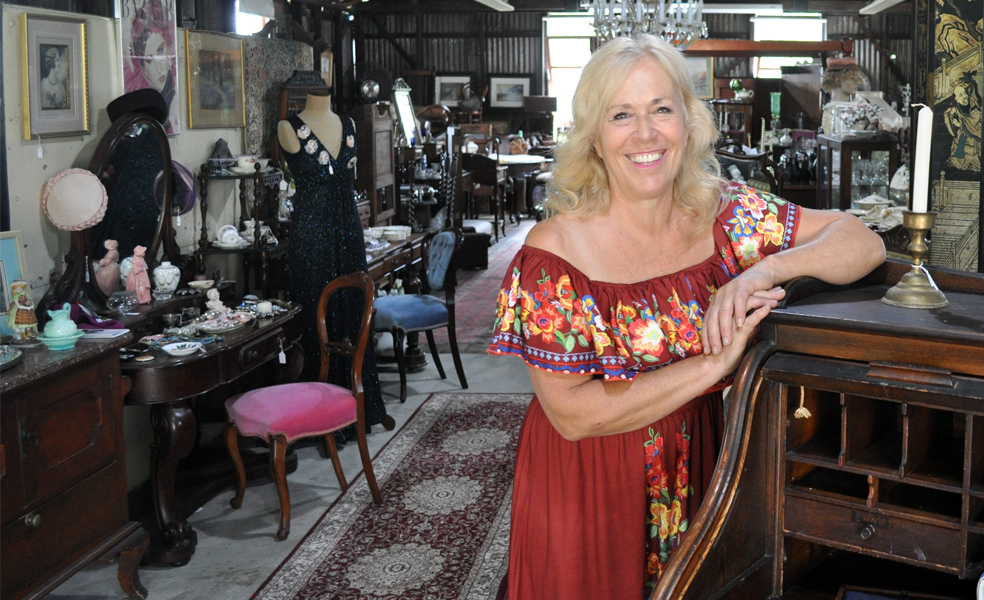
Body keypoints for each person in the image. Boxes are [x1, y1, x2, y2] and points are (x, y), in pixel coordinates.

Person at [488, 34, 886, 599]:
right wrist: (711, 366)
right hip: (591, 486)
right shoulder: (555, 254)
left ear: (688, 122)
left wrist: (760, 273)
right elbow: (573, 415)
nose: (645, 134)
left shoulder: (729, 214)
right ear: (595, 138)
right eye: (621, 114)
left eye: (661, 109)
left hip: (702, 466)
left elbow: (861, 240)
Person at [277, 92, 393, 439]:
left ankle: (361, 405)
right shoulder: (287, 127)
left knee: (354, 315)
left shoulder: (350, 124)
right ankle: (321, 416)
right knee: (317, 318)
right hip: (311, 236)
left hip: (348, 231)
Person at [123, 0, 176, 131]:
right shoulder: (141, 103)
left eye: (160, 51)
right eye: (150, 59)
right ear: (143, 69)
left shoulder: (173, 98)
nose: (159, 67)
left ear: (169, 48)